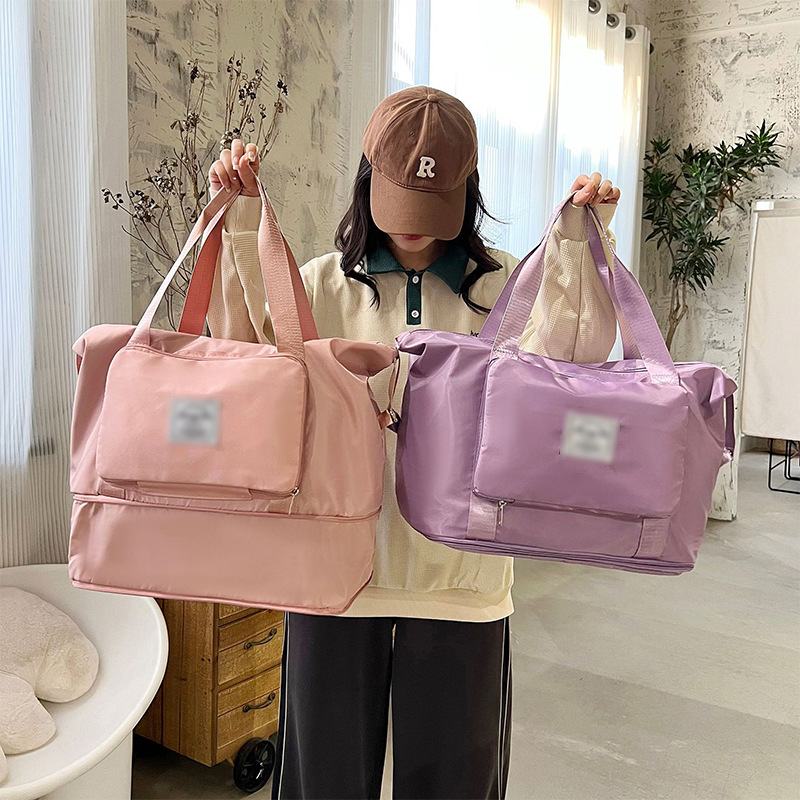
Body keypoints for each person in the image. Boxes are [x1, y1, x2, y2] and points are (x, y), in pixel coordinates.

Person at [207, 85, 621, 800]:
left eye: (434, 207)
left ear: (467, 191)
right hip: (332, 575)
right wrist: (241, 221)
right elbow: (243, 359)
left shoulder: (507, 290)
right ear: (368, 179)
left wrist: (581, 247)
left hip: (461, 579)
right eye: (400, 203)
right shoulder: (321, 286)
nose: (415, 233)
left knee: (454, 785)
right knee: (322, 785)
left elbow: (568, 368)